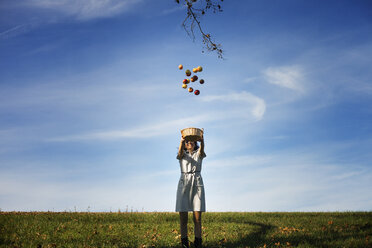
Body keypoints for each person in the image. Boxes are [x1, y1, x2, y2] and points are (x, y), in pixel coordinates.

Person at [176, 134, 206, 248]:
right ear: (184, 144)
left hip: (197, 183)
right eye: (187, 142)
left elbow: (202, 150)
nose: (189, 143)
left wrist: (202, 141)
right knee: (183, 217)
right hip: (184, 183)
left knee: (197, 217)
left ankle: (198, 242)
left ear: (195, 143)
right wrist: (181, 141)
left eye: (192, 141)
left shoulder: (199, 154)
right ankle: (184, 243)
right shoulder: (182, 155)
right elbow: (179, 153)